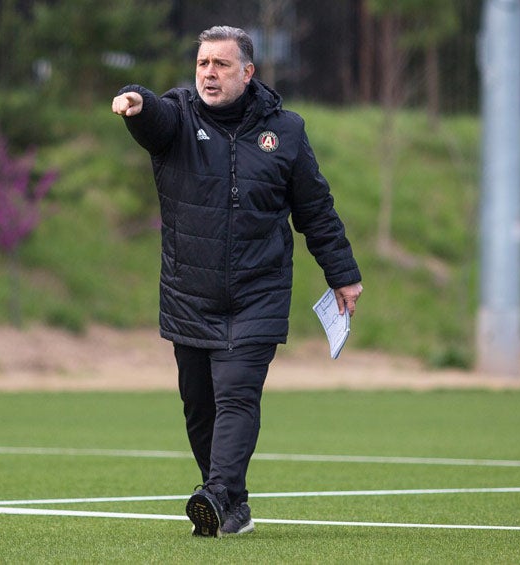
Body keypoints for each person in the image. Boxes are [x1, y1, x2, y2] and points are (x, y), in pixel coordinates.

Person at [112, 25, 363, 537]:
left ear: (248, 73)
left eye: (221, 65)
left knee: (236, 396)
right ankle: (230, 502)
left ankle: (217, 493)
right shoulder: (177, 118)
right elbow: (154, 120)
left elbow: (315, 210)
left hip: (258, 293)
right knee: (199, 405)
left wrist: (344, 275)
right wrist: (136, 101)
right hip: (189, 292)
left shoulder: (286, 131)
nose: (209, 73)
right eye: (203, 63)